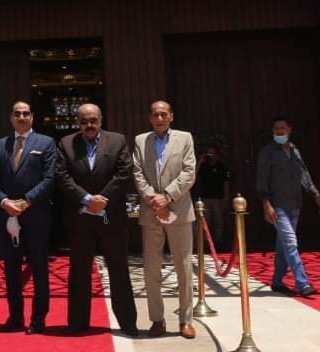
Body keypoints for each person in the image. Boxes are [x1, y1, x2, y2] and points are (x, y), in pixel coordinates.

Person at [55, 103, 138, 337]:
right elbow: (61, 175)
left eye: (93, 120)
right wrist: (86, 198)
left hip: (111, 216)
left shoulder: (117, 140)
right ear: (77, 122)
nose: (89, 125)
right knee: (79, 271)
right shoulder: (66, 143)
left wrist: (103, 198)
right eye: (84, 121)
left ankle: (128, 323)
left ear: (101, 120)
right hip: (80, 217)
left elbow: (124, 172)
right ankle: (78, 323)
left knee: (119, 270)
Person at [132, 100, 197, 339]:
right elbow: (137, 173)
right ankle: (157, 320)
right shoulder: (141, 141)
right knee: (151, 268)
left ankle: (185, 320)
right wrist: (154, 199)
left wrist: (167, 196)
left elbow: (189, 172)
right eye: (155, 114)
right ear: (150, 118)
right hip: (151, 212)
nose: (159, 118)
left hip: (178, 210)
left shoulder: (185, 138)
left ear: (171, 116)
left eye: (163, 114)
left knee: (184, 267)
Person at [0, 101, 56, 334]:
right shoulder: (0, 145)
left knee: (39, 270)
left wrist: (26, 201)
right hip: (8, 216)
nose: (21, 117)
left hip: (36, 216)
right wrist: (4, 201)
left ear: (32, 117)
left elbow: (50, 178)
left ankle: (38, 320)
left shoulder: (46, 143)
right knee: (11, 271)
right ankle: (15, 317)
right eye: (17, 114)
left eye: (25, 113)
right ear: (11, 118)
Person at [255, 116, 320, 297]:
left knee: (283, 245)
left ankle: (277, 281)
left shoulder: (295, 151)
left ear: (289, 129)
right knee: (291, 243)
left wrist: (316, 194)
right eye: (276, 128)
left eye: (283, 128)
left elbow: (304, 175)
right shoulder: (267, 153)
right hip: (277, 205)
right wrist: (266, 204)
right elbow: (262, 180)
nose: (280, 131)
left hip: (294, 204)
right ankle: (302, 283)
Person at [196, 145, 231, 247]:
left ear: (217, 154)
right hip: (205, 198)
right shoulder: (204, 166)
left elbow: (226, 183)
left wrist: (226, 198)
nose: (211, 155)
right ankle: (204, 243)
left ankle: (218, 242)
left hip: (218, 198)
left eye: (213, 153)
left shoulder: (222, 167)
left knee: (218, 221)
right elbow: (193, 175)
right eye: (209, 153)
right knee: (205, 221)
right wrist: (200, 162)